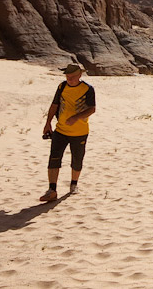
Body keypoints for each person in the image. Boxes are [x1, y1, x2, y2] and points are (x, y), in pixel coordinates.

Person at [39, 62, 96, 202]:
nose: (69, 79)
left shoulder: (88, 89)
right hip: (61, 130)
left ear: (79, 75)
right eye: (67, 76)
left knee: (77, 160)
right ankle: (52, 189)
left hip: (80, 132)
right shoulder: (62, 86)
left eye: (72, 76)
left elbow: (92, 109)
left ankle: (74, 184)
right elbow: (54, 105)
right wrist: (48, 123)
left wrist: (75, 118)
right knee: (54, 158)